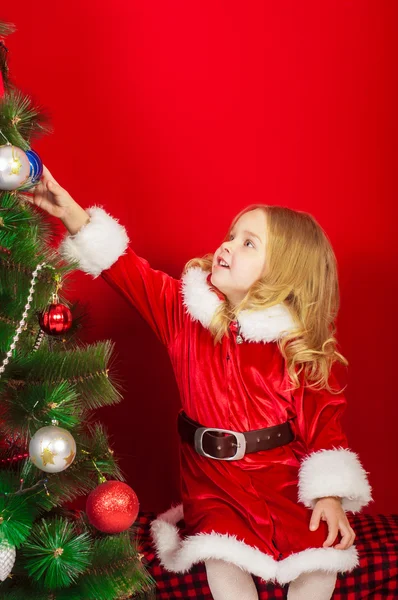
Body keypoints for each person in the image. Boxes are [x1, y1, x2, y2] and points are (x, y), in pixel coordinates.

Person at [30, 166, 372, 600]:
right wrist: (71, 213)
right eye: (231, 235)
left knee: (320, 560)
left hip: (281, 480)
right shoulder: (183, 314)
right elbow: (124, 268)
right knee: (220, 554)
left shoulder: (299, 347)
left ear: (284, 275)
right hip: (212, 484)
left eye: (248, 243)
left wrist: (330, 496)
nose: (227, 245)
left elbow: (324, 426)